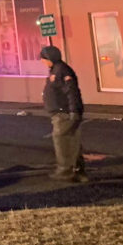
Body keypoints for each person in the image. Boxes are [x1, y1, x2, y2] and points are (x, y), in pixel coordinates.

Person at [40, 46, 87, 182]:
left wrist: (73, 111)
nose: (43, 62)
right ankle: (78, 170)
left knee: (62, 141)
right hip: (63, 112)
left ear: (49, 58)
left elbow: (71, 91)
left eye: (43, 59)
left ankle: (65, 169)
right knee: (72, 141)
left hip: (63, 113)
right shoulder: (57, 69)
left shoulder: (61, 71)